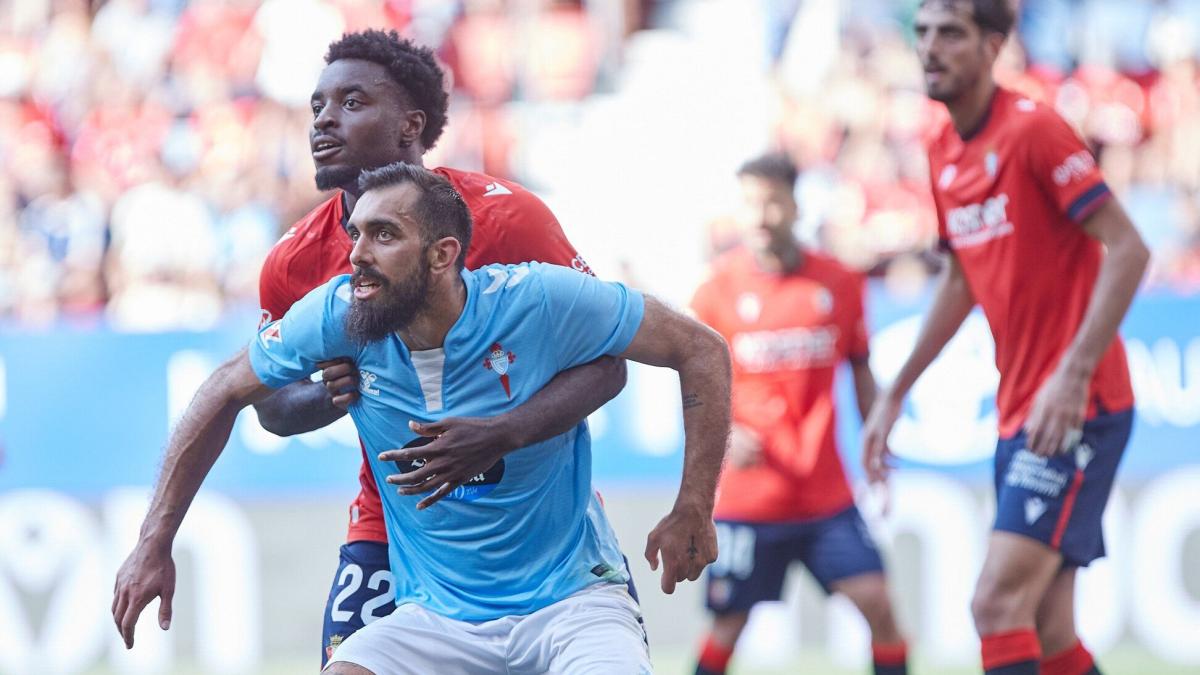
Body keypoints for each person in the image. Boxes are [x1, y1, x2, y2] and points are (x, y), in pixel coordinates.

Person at [117, 29, 627, 667]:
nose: (324, 119)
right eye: (317, 107)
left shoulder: (507, 219)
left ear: (411, 124)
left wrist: (503, 432)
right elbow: (266, 406)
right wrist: (323, 395)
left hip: (536, 530)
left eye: (352, 102)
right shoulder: (295, 262)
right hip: (393, 526)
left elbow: (609, 367)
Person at [113, 162, 730, 674]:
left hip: (571, 603)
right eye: (355, 234)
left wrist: (694, 505)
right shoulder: (338, 314)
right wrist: (154, 542)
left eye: (383, 235)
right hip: (434, 619)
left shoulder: (538, 297)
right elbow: (224, 388)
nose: (356, 255)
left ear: (442, 254)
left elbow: (699, 348)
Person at [862, 3, 1150, 675]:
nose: (930, 47)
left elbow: (1130, 249)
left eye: (951, 33)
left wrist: (1073, 373)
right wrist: (892, 394)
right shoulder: (940, 148)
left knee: (994, 604)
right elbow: (961, 279)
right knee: (1049, 634)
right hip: (1021, 404)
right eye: (923, 32)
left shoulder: (1034, 131)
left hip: (1080, 404)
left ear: (993, 45)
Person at [689, 154, 908, 675]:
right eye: (750, 204)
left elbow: (860, 367)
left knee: (880, 607)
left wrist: (875, 435)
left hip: (823, 495)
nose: (761, 217)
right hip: (751, 495)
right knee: (727, 629)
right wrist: (725, 434)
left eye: (772, 203)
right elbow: (691, 383)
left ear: (794, 204)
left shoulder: (838, 283)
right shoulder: (716, 290)